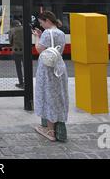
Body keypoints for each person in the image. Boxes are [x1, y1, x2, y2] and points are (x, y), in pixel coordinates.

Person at [32, 11, 68, 142]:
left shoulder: (47, 33)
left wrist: (37, 37)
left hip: (47, 70)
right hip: (59, 68)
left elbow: (39, 50)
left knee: (48, 97)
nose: (41, 26)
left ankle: (50, 131)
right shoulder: (61, 33)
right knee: (58, 96)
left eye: (41, 23)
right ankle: (58, 128)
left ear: (47, 20)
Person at [8, 20, 24, 89]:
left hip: (16, 51)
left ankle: (21, 83)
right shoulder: (24, 28)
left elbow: (10, 42)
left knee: (18, 67)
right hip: (25, 51)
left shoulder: (12, 30)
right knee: (26, 67)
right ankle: (28, 82)